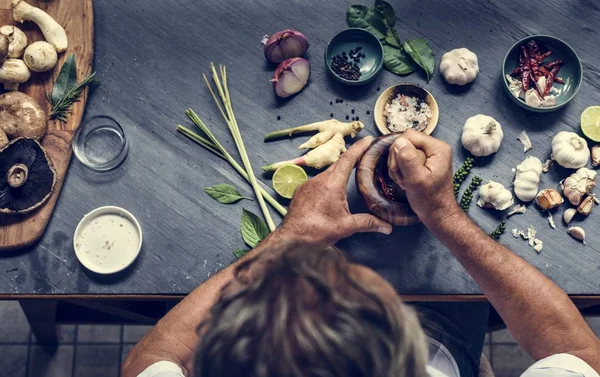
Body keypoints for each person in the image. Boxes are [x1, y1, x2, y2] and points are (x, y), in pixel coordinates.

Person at [122, 131, 600, 377]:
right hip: (445, 341)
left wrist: (289, 238)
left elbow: (149, 363)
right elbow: (579, 356)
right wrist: (446, 216)